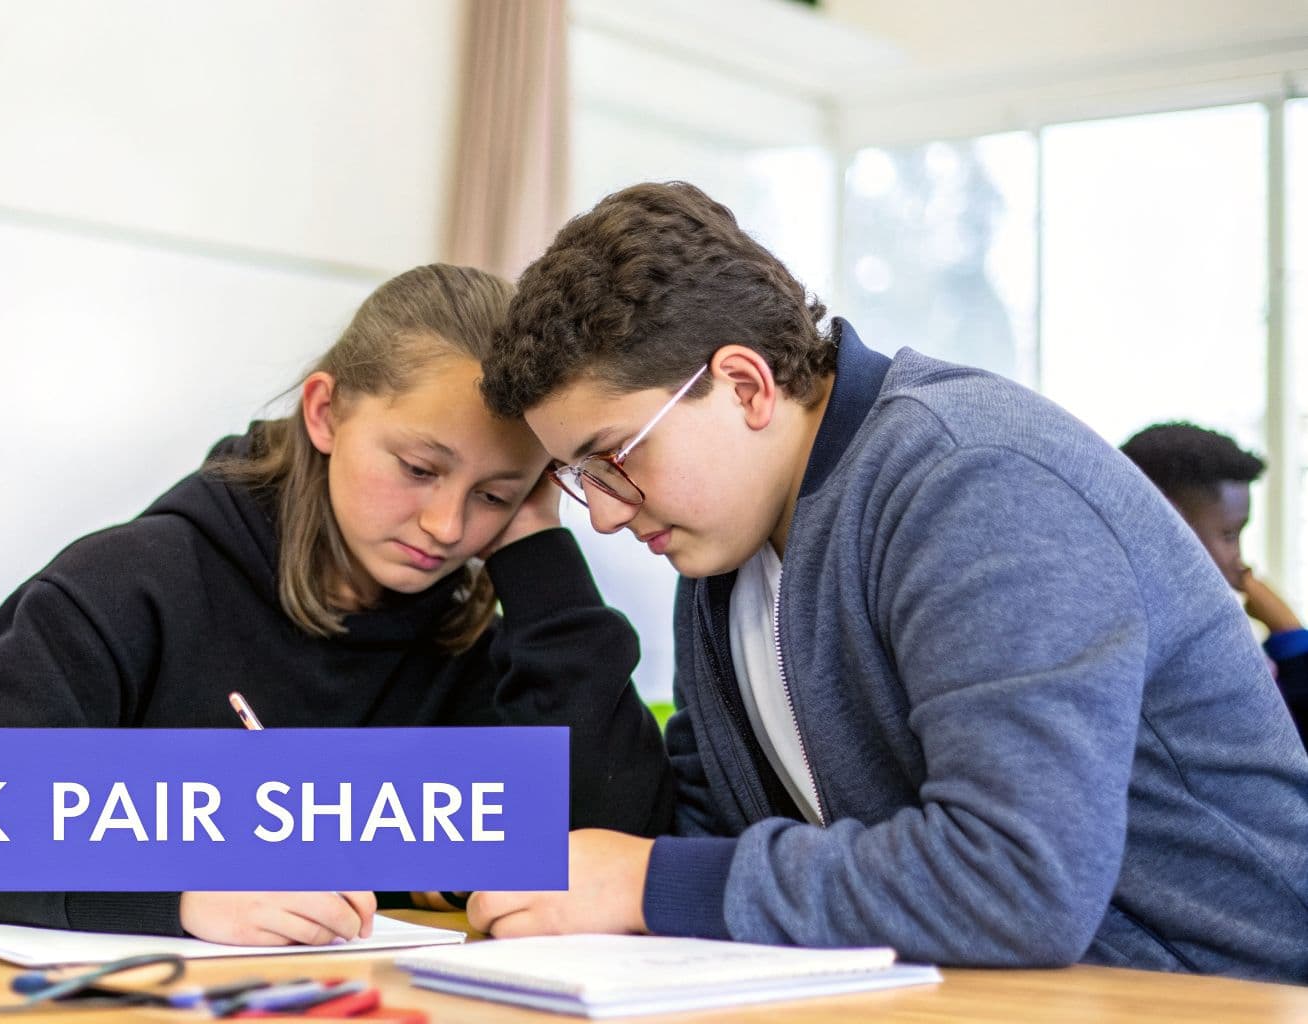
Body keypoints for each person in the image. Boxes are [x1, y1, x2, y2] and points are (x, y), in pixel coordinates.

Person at [469, 182, 1308, 982]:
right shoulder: (722, 558)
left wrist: (643, 883)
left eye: (614, 458)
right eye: (580, 477)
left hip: (1213, 995)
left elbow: (1018, 884)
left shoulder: (974, 480)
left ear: (744, 384)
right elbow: (708, 834)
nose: (607, 516)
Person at [0, 264, 672, 946]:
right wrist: (180, 897)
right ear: (324, 412)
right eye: (419, 468)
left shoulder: (463, 637)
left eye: (496, 494)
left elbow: (617, 843)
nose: (448, 525)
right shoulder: (135, 584)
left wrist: (539, 557)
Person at [1121, 422, 1307, 745]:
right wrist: (1290, 636)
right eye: (1229, 535)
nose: (1240, 559)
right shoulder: (1176, 647)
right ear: (1170, 523)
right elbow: (1290, 742)